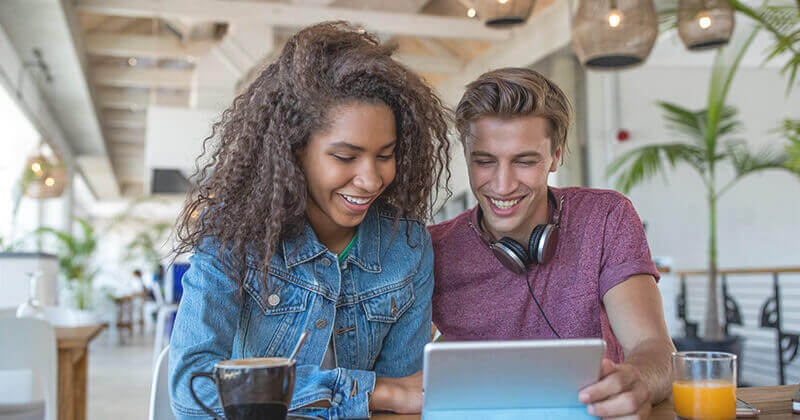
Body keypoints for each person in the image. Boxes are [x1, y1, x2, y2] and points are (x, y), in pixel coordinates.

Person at [168, 22, 451, 419]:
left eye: (385, 154)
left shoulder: (406, 248)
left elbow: (406, 399)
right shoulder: (233, 236)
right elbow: (192, 390)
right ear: (294, 152)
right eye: (345, 157)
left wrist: (382, 396)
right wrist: (369, 392)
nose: (371, 179)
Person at [429, 68, 674, 419]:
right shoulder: (432, 248)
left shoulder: (606, 218)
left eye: (524, 161)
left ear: (556, 156)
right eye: (484, 162)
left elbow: (654, 348)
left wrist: (639, 381)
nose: (502, 185)